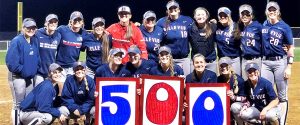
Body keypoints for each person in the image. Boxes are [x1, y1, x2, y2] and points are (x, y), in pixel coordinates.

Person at [261, 2, 294, 125]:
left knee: (282, 96)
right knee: (265, 92)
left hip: (280, 62)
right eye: (270, 10)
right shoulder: (264, 25)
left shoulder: (284, 27)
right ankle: (268, 121)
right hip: (265, 63)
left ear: (278, 12)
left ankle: (282, 123)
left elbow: (290, 47)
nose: (272, 12)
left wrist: (289, 66)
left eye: (274, 10)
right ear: (266, 12)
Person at [6, 18, 39, 125]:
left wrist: (34, 69)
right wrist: (24, 71)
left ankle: (24, 122)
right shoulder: (17, 41)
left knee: (27, 103)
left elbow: (37, 58)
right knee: (18, 104)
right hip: (17, 77)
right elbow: (11, 62)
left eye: (33, 27)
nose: (31, 30)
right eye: (28, 27)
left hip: (29, 78)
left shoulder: (34, 40)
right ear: (23, 28)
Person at [156, 0, 194, 76]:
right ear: (167, 11)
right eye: (170, 8)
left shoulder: (187, 20)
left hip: (184, 59)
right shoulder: (161, 22)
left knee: (185, 81)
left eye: (175, 8)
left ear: (179, 9)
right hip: (169, 59)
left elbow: (196, 30)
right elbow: (155, 34)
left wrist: (211, 23)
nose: (173, 10)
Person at [56, 11, 87, 76]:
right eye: (75, 19)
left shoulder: (84, 33)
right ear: (70, 21)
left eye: (79, 19)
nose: (77, 21)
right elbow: (51, 34)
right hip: (60, 66)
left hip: (73, 67)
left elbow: (83, 50)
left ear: (82, 22)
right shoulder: (62, 29)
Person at [236, 4, 263, 80]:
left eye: (247, 14)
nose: (245, 16)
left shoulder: (258, 26)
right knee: (245, 84)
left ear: (251, 15)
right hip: (244, 60)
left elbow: (266, 38)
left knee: (257, 82)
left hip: (256, 59)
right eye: (242, 14)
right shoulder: (239, 27)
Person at [188, 7, 218, 73]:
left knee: (212, 83)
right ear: (194, 17)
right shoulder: (190, 29)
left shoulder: (213, 27)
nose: (200, 17)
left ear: (207, 16)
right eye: (198, 15)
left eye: (202, 14)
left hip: (210, 62)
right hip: (196, 63)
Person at [217, 57, 246, 125]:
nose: (223, 68)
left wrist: (233, 97)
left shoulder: (239, 80)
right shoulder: (218, 80)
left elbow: (244, 98)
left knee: (234, 107)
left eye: (225, 66)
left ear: (230, 67)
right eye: (221, 66)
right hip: (223, 105)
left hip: (237, 105)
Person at [35, 14, 61, 85]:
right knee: (39, 92)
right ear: (45, 23)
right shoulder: (37, 33)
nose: (53, 24)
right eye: (50, 22)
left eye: (55, 22)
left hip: (51, 71)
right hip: (38, 72)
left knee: (49, 93)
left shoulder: (58, 36)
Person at [216, 7, 241, 75]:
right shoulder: (217, 27)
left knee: (236, 81)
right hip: (222, 60)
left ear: (229, 15)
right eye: (221, 15)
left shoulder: (236, 26)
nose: (223, 17)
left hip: (234, 59)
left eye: (225, 15)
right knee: (223, 83)